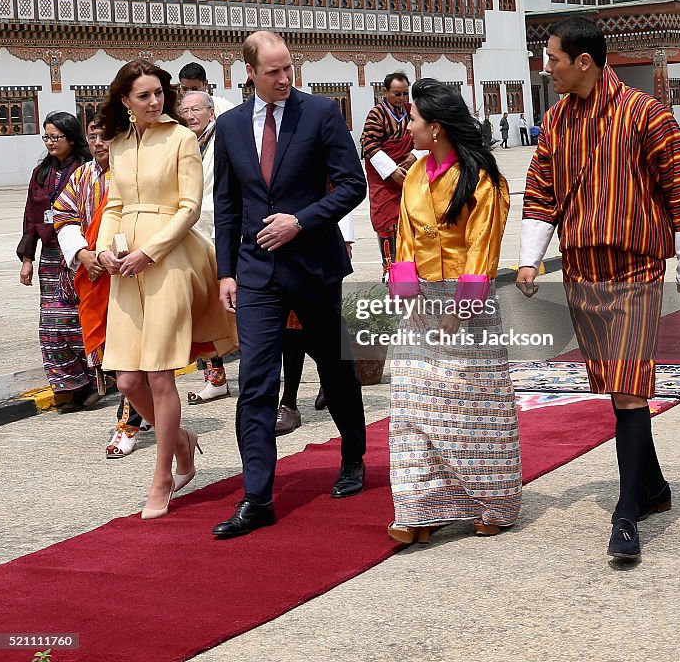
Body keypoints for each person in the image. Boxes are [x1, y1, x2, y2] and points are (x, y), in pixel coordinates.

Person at [517, 17, 680, 562]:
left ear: (583, 61)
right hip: (582, 268)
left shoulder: (646, 114)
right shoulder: (555, 120)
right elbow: (540, 187)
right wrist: (530, 258)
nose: (545, 67)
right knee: (616, 384)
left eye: (552, 58)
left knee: (628, 387)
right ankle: (652, 487)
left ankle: (626, 514)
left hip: (635, 267)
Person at [213, 31, 367, 539]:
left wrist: (300, 221)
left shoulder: (320, 113)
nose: (285, 78)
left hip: (312, 266)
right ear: (249, 74)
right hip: (256, 272)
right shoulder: (232, 126)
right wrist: (227, 272)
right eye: (274, 71)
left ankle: (352, 455)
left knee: (334, 364)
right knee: (256, 381)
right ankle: (257, 496)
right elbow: (228, 203)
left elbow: (352, 185)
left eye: (288, 68)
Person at [96, 59, 235, 520]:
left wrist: (150, 252)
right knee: (127, 378)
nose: (154, 101)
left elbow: (190, 207)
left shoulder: (181, 138)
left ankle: (163, 476)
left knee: (159, 375)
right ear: (125, 101)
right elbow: (114, 204)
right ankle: (182, 441)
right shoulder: (117, 143)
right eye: (144, 95)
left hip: (171, 257)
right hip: (124, 265)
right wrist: (103, 252)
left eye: (159, 93)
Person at [386, 79, 521, 544]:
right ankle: (419, 508)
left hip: (468, 307)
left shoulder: (484, 178)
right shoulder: (415, 176)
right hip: (420, 304)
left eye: (415, 119)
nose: (409, 125)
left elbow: (484, 246)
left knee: (471, 410)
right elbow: (402, 236)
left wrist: (461, 308)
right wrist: (408, 290)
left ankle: (493, 503)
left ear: (436, 127)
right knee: (411, 407)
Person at [53, 117, 147, 454]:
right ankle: (142, 409)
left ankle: (129, 422)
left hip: (132, 272)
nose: (99, 142)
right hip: (95, 276)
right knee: (113, 353)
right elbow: (63, 216)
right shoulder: (80, 177)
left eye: (106, 136)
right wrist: (82, 253)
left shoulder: (134, 173)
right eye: (93, 136)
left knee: (133, 354)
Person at [17, 112, 93, 412]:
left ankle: (95, 380)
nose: (49, 142)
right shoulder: (41, 173)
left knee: (80, 320)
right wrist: (27, 258)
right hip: (50, 257)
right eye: (46, 137)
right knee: (51, 325)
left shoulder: (85, 170)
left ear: (71, 139)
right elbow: (30, 216)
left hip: (77, 254)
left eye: (55, 137)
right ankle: (72, 385)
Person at [275, 214, 354, 435]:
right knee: (290, 327)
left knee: (326, 324)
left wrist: (346, 239)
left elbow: (340, 188)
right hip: (277, 245)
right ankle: (289, 403)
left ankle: (331, 378)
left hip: (320, 240)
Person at [180, 89, 233, 405]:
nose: (190, 116)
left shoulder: (225, 138)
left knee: (235, 309)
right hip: (194, 234)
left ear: (211, 112)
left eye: (196, 109)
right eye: (185, 110)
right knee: (204, 310)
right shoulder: (182, 143)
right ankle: (216, 378)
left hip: (224, 232)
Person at [360, 72, 425, 279]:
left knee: (411, 219)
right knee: (387, 221)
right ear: (385, 91)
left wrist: (415, 155)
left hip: (410, 173)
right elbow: (368, 144)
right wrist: (392, 171)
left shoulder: (411, 111)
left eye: (405, 93)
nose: (402, 98)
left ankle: (410, 263)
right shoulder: (376, 114)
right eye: (397, 94)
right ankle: (389, 266)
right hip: (385, 178)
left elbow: (427, 136)